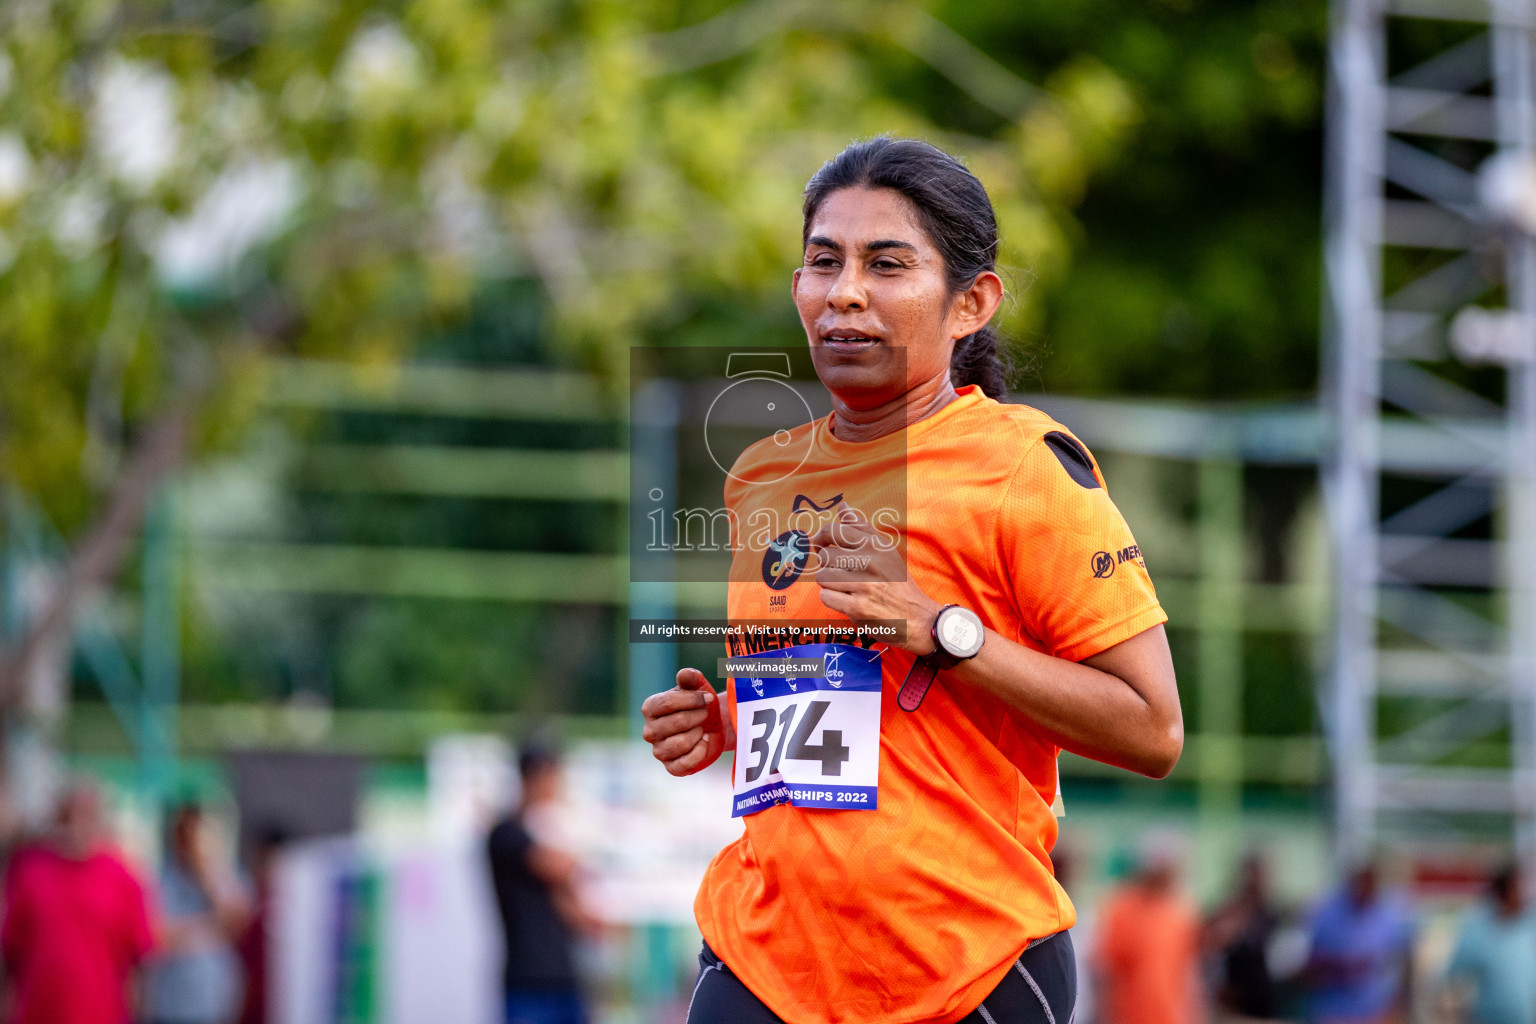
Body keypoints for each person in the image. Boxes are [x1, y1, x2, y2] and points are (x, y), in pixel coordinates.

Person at [641, 137, 1183, 1024]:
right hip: (763, 960)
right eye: (825, 262)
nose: (845, 292)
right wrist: (724, 723)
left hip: (961, 973)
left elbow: (1154, 731)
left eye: (887, 264)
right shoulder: (761, 478)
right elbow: (849, 709)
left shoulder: (1025, 470)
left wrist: (946, 632)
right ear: (798, 289)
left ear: (972, 302)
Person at [0, 780, 154, 1024]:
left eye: (88, 814)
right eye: (70, 814)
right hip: (36, 1013)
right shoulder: (29, 870)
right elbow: (11, 951)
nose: (79, 823)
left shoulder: (124, 876)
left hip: (102, 1014)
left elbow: (140, 957)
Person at [487, 741, 594, 1024]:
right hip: (528, 980)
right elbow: (559, 867)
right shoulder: (506, 834)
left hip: (564, 978)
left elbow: (578, 914)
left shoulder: (544, 834)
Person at [142, 803, 253, 1024]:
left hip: (214, 1000)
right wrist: (210, 928)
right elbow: (158, 936)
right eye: (184, 833)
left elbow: (237, 922)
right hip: (170, 1002)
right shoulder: (161, 880)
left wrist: (206, 871)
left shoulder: (226, 877)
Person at [1094, 837, 1203, 1024]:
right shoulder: (1123, 908)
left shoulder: (1182, 910)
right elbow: (1106, 973)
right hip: (1129, 1016)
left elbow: (1188, 973)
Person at [1303, 862, 1415, 1024]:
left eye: (1367, 883)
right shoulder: (1327, 914)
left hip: (1376, 1013)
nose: (1361, 889)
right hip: (1332, 1012)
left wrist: (1400, 1009)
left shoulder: (1391, 917)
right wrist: (1337, 966)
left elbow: (1404, 966)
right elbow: (1308, 965)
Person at [1441, 863, 1536, 1024]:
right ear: (1504, 892)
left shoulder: (1529, 926)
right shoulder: (1479, 930)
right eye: (1519, 889)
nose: (1526, 895)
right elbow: (1452, 978)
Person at [1206, 853, 1282, 1021]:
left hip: (1263, 999)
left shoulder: (1270, 913)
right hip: (1234, 1001)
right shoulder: (1232, 909)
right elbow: (1213, 944)